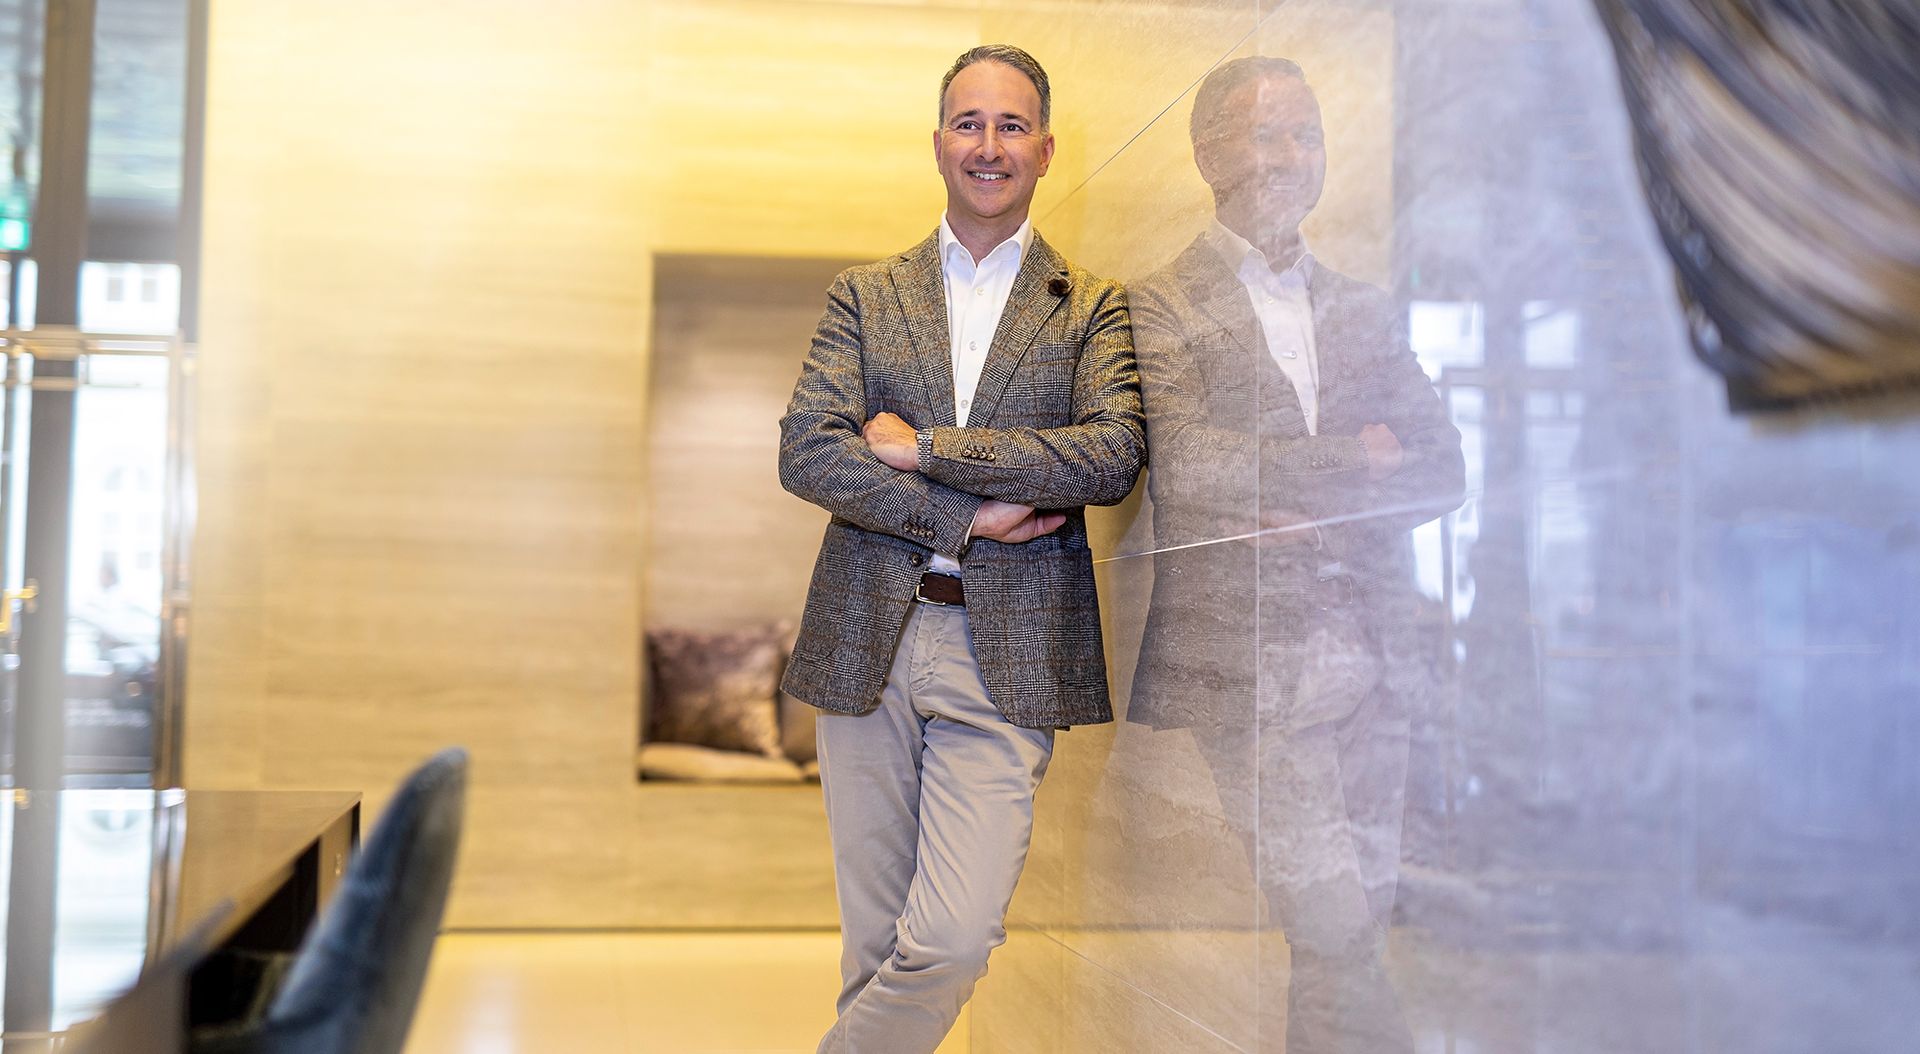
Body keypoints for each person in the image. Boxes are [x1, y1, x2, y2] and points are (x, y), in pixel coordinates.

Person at [777, 43, 1145, 1054]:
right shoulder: (867, 294)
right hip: (868, 637)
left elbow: (1109, 454)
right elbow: (809, 451)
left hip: (1007, 657)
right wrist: (967, 517)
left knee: (948, 940)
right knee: (875, 949)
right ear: (938, 143)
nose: (990, 145)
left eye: (1012, 125)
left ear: (1046, 149)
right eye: (970, 124)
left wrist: (927, 449)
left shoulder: (1092, 304)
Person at [1128, 56, 1465, 1053]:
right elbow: (1189, 466)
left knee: (1344, 942)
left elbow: (1443, 468)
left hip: (1377, 664)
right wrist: (1353, 462)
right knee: (1334, 928)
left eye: (1306, 134)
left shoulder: (1364, 307)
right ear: (1209, 155)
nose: (1291, 155)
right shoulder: (1159, 304)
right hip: (1250, 672)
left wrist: (1312, 510)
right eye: (1267, 132)